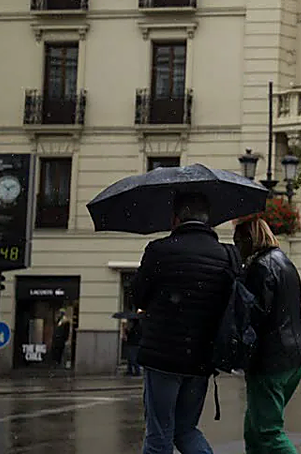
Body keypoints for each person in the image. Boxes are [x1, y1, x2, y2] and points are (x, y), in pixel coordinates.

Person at [133, 192, 235, 454]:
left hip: (162, 356)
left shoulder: (158, 250)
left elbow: (139, 296)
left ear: (175, 219)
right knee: (186, 430)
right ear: (207, 219)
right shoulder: (224, 256)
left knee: (159, 433)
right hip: (201, 357)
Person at [234, 218, 301, 454]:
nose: (236, 247)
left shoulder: (260, 267)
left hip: (270, 358)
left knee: (268, 432)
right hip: (294, 356)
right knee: (255, 427)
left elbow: (255, 314)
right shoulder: (286, 262)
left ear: (250, 239)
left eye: (238, 241)